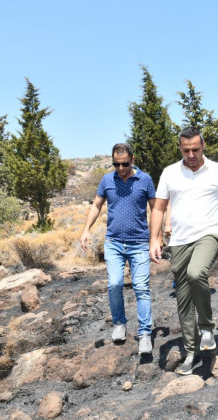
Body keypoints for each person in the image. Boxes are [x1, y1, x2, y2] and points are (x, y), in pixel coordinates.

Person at [150, 127, 218, 375]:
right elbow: (159, 208)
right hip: (179, 240)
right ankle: (191, 352)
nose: (191, 155)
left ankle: (207, 327)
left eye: (195, 149)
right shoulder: (169, 173)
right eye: (186, 150)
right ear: (180, 148)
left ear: (203, 146)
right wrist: (154, 239)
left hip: (209, 233)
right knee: (183, 297)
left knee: (196, 273)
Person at [80, 143, 156, 354]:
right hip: (113, 242)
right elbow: (96, 205)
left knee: (141, 287)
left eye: (125, 164)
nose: (121, 168)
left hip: (139, 242)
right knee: (114, 284)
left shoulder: (145, 180)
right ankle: (119, 323)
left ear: (132, 159)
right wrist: (86, 229)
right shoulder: (107, 180)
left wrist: (156, 237)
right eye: (116, 164)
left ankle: (145, 333)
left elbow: (156, 208)